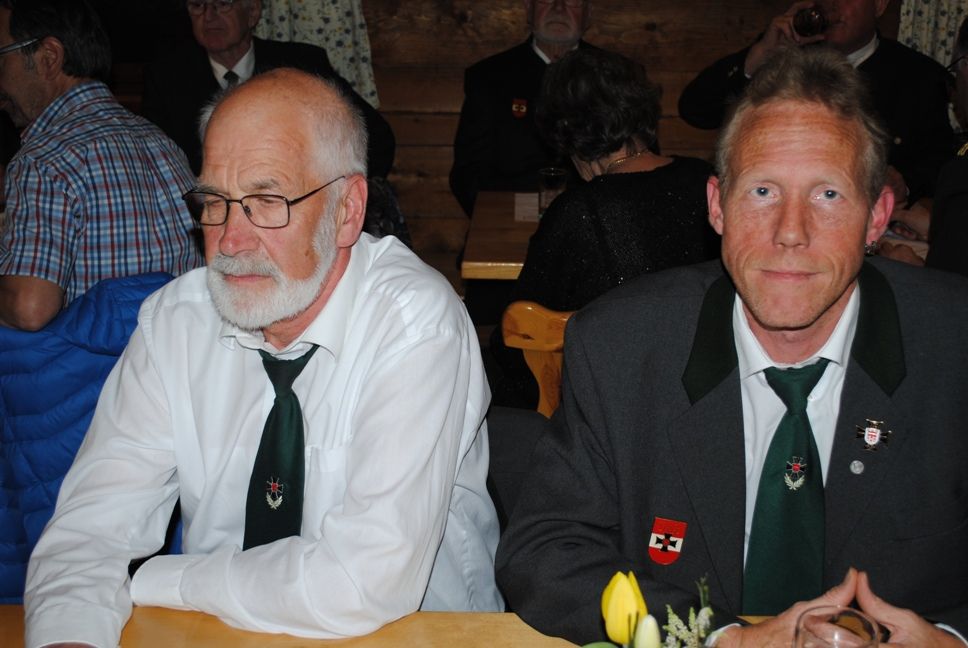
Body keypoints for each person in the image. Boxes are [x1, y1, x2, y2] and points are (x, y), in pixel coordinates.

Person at [496, 46, 968, 646]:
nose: (790, 232)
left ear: (877, 217)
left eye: (827, 195)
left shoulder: (956, 345)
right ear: (718, 206)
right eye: (763, 191)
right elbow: (545, 552)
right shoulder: (620, 345)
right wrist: (717, 639)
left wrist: (952, 638)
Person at [24, 68, 503, 647]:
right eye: (215, 202)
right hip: (220, 631)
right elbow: (86, 534)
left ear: (347, 210)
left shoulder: (414, 321)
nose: (230, 241)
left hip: (417, 637)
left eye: (267, 201)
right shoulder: (175, 322)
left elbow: (363, 583)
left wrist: (159, 579)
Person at [488, 48, 718, 408]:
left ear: (567, 132)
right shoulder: (707, 180)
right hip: (706, 388)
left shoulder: (580, 210)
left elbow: (517, 337)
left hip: (614, 403)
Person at [0, 0, 202, 331]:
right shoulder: (162, 143)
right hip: (177, 352)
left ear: (49, 57)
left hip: (98, 362)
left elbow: (29, 307)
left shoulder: (44, 159)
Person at [677, 0, 952, 206]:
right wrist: (759, 55)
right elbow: (695, 109)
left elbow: (939, 159)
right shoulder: (784, 57)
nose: (831, 6)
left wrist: (906, 183)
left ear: (879, 5)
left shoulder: (919, 75)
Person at [142, 0, 395, 177]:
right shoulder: (168, 77)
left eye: (223, 3)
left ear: (252, 12)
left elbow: (378, 138)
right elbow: (155, 162)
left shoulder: (302, 64)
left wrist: (337, 194)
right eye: (197, 5)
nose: (209, 16)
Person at [450, 0, 596, 216]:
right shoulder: (489, 78)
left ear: (588, 14)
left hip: (593, 222)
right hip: (507, 221)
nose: (559, 8)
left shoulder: (615, 78)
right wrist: (508, 216)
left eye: (572, 1)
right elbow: (469, 174)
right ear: (529, 8)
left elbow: (633, 169)